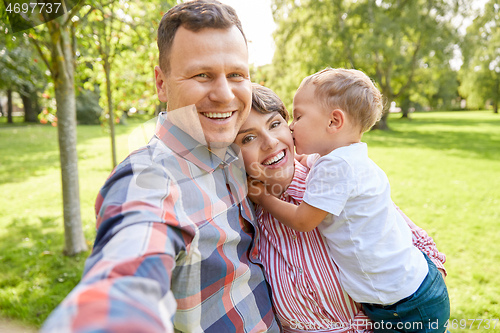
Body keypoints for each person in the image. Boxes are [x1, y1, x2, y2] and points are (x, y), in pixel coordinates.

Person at [41, 1, 281, 332]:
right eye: (203, 75)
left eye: (237, 75)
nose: (225, 94)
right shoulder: (150, 180)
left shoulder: (236, 151)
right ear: (161, 83)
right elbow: (128, 271)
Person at [242, 82, 449, 332]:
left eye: (276, 123)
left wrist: (263, 197)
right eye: (248, 137)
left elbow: (416, 239)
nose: (270, 142)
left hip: (401, 307)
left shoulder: (334, 178)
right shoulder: (245, 214)